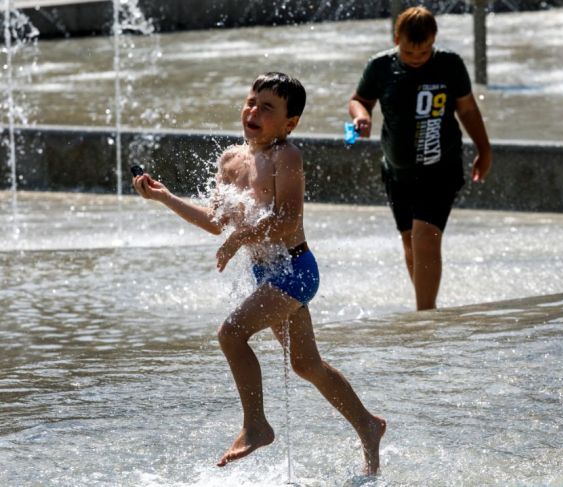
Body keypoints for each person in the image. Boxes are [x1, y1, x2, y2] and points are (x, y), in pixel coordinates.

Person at [132, 72, 386, 474]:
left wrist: (239, 239)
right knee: (306, 365)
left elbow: (287, 219)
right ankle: (368, 425)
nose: (254, 110)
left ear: (290, 124)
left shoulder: (287, 156)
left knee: (231, 333)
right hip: (267, 274)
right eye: (252, 101)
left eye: (268, 107)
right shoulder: (231, 160)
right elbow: (216, 221)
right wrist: (165, 198)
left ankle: (256, 425)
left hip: (295, 270)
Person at [348, 6, 492, 311]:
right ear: (396, 37)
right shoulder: (380, 67)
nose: (416, 58)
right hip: (398, 172)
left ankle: (426, 314)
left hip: (442, 168)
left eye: (424, 52)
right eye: (410, 52)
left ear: (434, 39)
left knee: (425, 237)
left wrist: (484, 149)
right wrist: (361, 117)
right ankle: (424, 306)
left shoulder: (450, 65)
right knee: (410, 243)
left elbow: (466, 109)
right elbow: (359, 100)